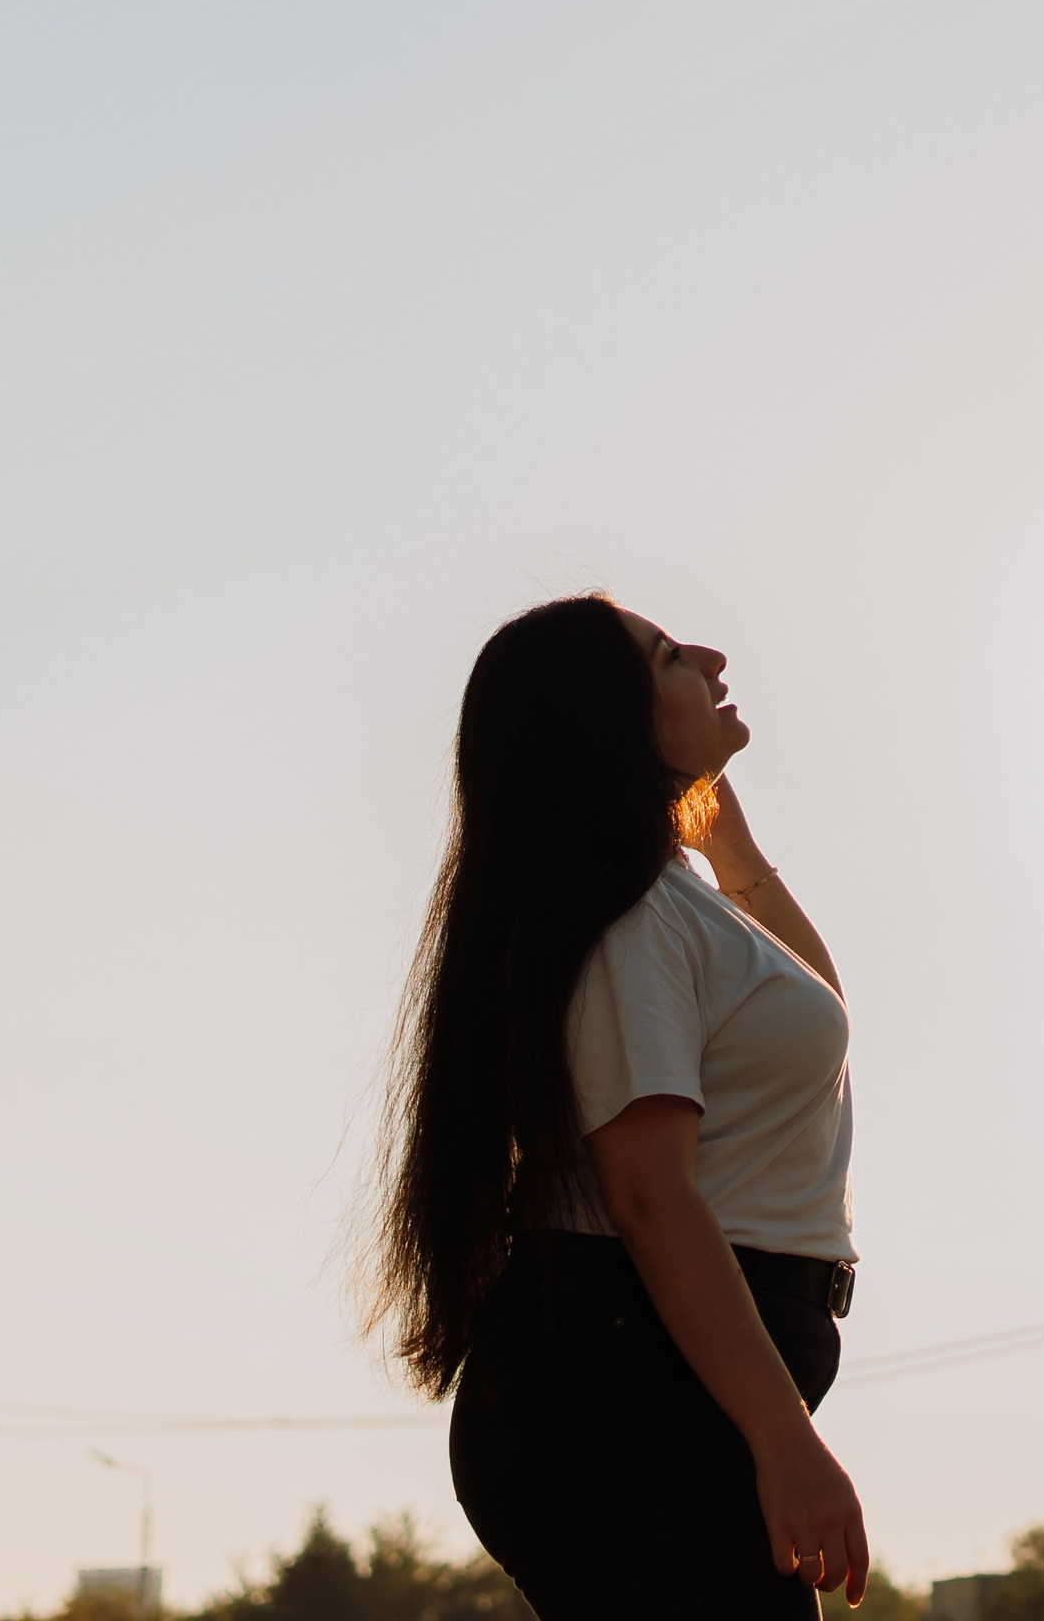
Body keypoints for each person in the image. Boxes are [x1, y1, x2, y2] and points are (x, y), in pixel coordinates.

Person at [370, 595, 867, 1619]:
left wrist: (726, 833)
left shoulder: (667, 894)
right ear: (610, 720)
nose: (713, 655)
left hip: (651, 1381)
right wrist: (786, 1441)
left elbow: (813, 1007)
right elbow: (649, 1197)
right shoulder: (630, 919)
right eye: (671, 655)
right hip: (624, 1389)